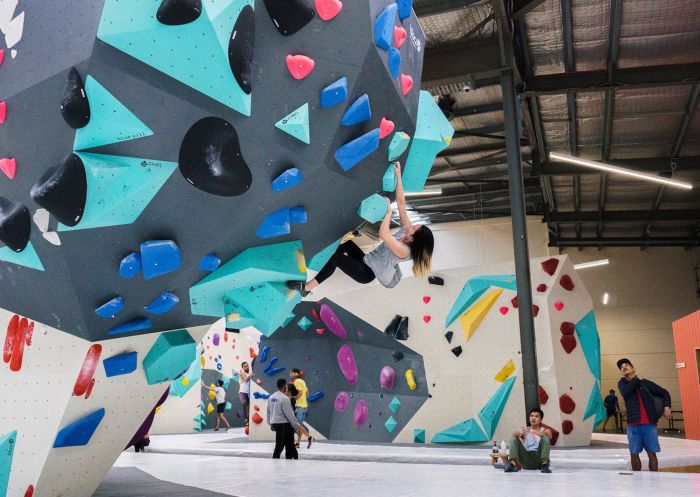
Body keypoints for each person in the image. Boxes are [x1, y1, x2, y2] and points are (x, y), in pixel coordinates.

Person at [287, 161, 434, 295]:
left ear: (413, 238)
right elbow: (401, 204)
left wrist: (389, 212)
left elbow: (383, 234)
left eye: (414, 228)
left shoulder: (404, 251)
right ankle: (316, 258)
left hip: (367, 273)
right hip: (367, 260)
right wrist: (398, 176)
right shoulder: (407, 230)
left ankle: (306, 288)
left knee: (338, 258)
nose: (411, 225)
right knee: (346, 245)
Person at [617, 358, 672, 471]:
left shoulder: (646, 383)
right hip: (633, 424)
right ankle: (637, 483)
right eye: (622, 367)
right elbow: (626, 391)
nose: (624, 367)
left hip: (649, 423)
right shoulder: (622, 383)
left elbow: (664, 392)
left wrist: (667, 407)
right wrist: (637, 379)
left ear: (633, 368)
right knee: (634, 453)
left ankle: (655, 480)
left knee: (652, 453)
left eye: (627, 365)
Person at [504, 408, 553, 473]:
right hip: (526, 460)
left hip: (539, 461)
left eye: (536, 416)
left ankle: (545, 465)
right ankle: (513, 463)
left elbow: (547, 436)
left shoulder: (546, 430)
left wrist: (533, 431)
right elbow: (514, 436)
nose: (533, 418)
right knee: (513, 438)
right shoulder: (525, 430)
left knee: (544, 438)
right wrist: (517, 433)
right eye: (531, 416)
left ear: (541, 420)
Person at [267, 378, 300, 459]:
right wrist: (296, 426)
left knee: (288, 445)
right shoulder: (284, 398)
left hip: (276, 424)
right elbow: (290, 414)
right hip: (284, 425)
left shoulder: (271, 397)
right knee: (281, 446)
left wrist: (270, 423)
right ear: (285, 386)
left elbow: (268, 411)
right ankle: (277, 461)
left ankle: (291, 461)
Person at [290, 368, 314, 449]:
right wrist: (303, 399)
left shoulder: (297, 381)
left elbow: (299, 393)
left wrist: (294, 397)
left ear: (296, 374)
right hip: (304, 406)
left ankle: (309, 437)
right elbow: (307, 392)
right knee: (299, 425)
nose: (290, 373)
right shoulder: (302, 381)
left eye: (292, 372)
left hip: (300, 407)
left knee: (297, 425)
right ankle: (298, 443)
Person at [239, 362, 253, 426]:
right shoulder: (242, 373)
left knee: (250, 406)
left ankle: (249, 420)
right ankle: (246, 420)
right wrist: (250, 375)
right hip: (242, 392)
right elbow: (245, 380)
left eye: (247, 366)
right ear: (243, 367)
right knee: (244, 404)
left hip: (249, 392)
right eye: (245, 366)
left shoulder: (249, 373)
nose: (247, 367)